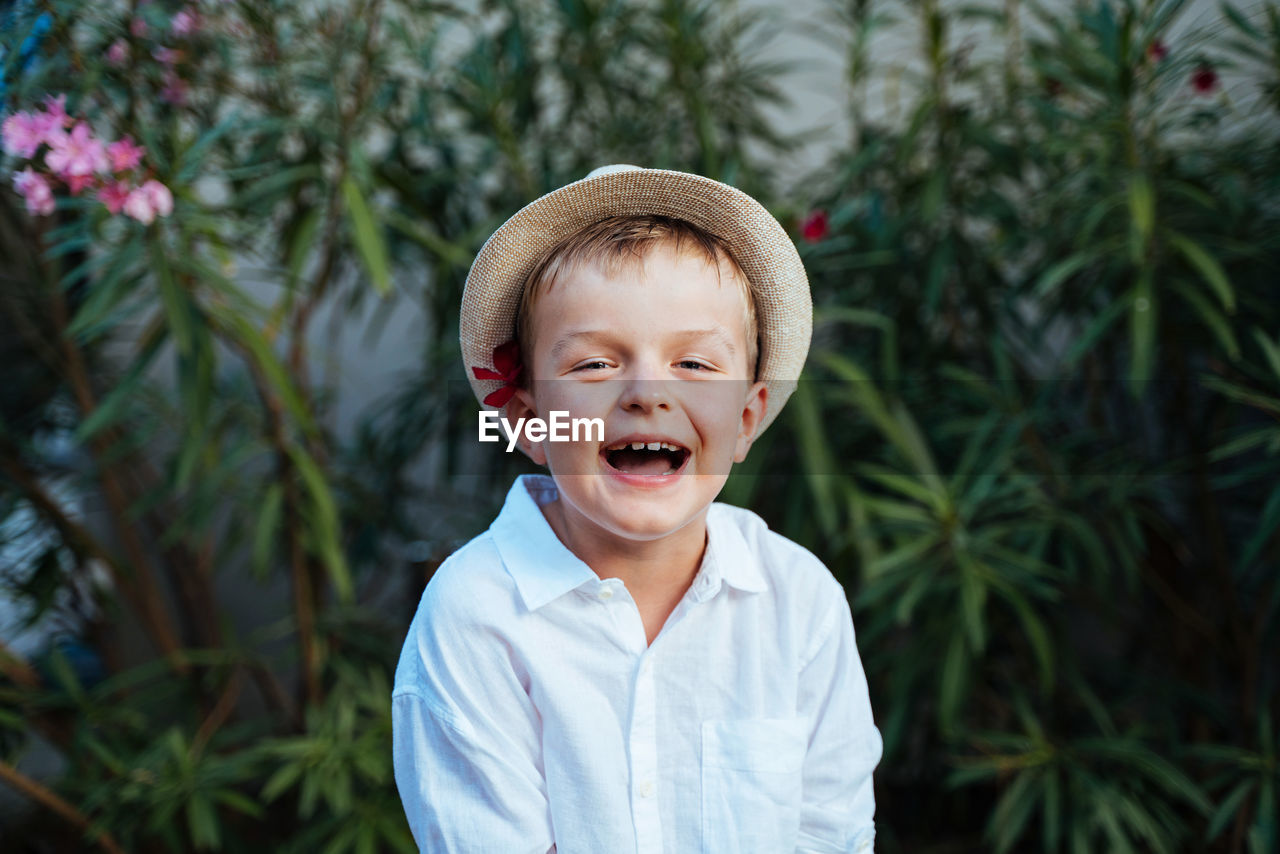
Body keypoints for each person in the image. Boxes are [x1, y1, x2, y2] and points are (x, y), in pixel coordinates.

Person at [392, 164, 883, 853]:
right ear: (532, 422)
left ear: (746, 418)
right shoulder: (476, 617)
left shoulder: (799, 603)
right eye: (594, 365)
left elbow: (830, 834)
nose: (646, 392)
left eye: (696, 365)